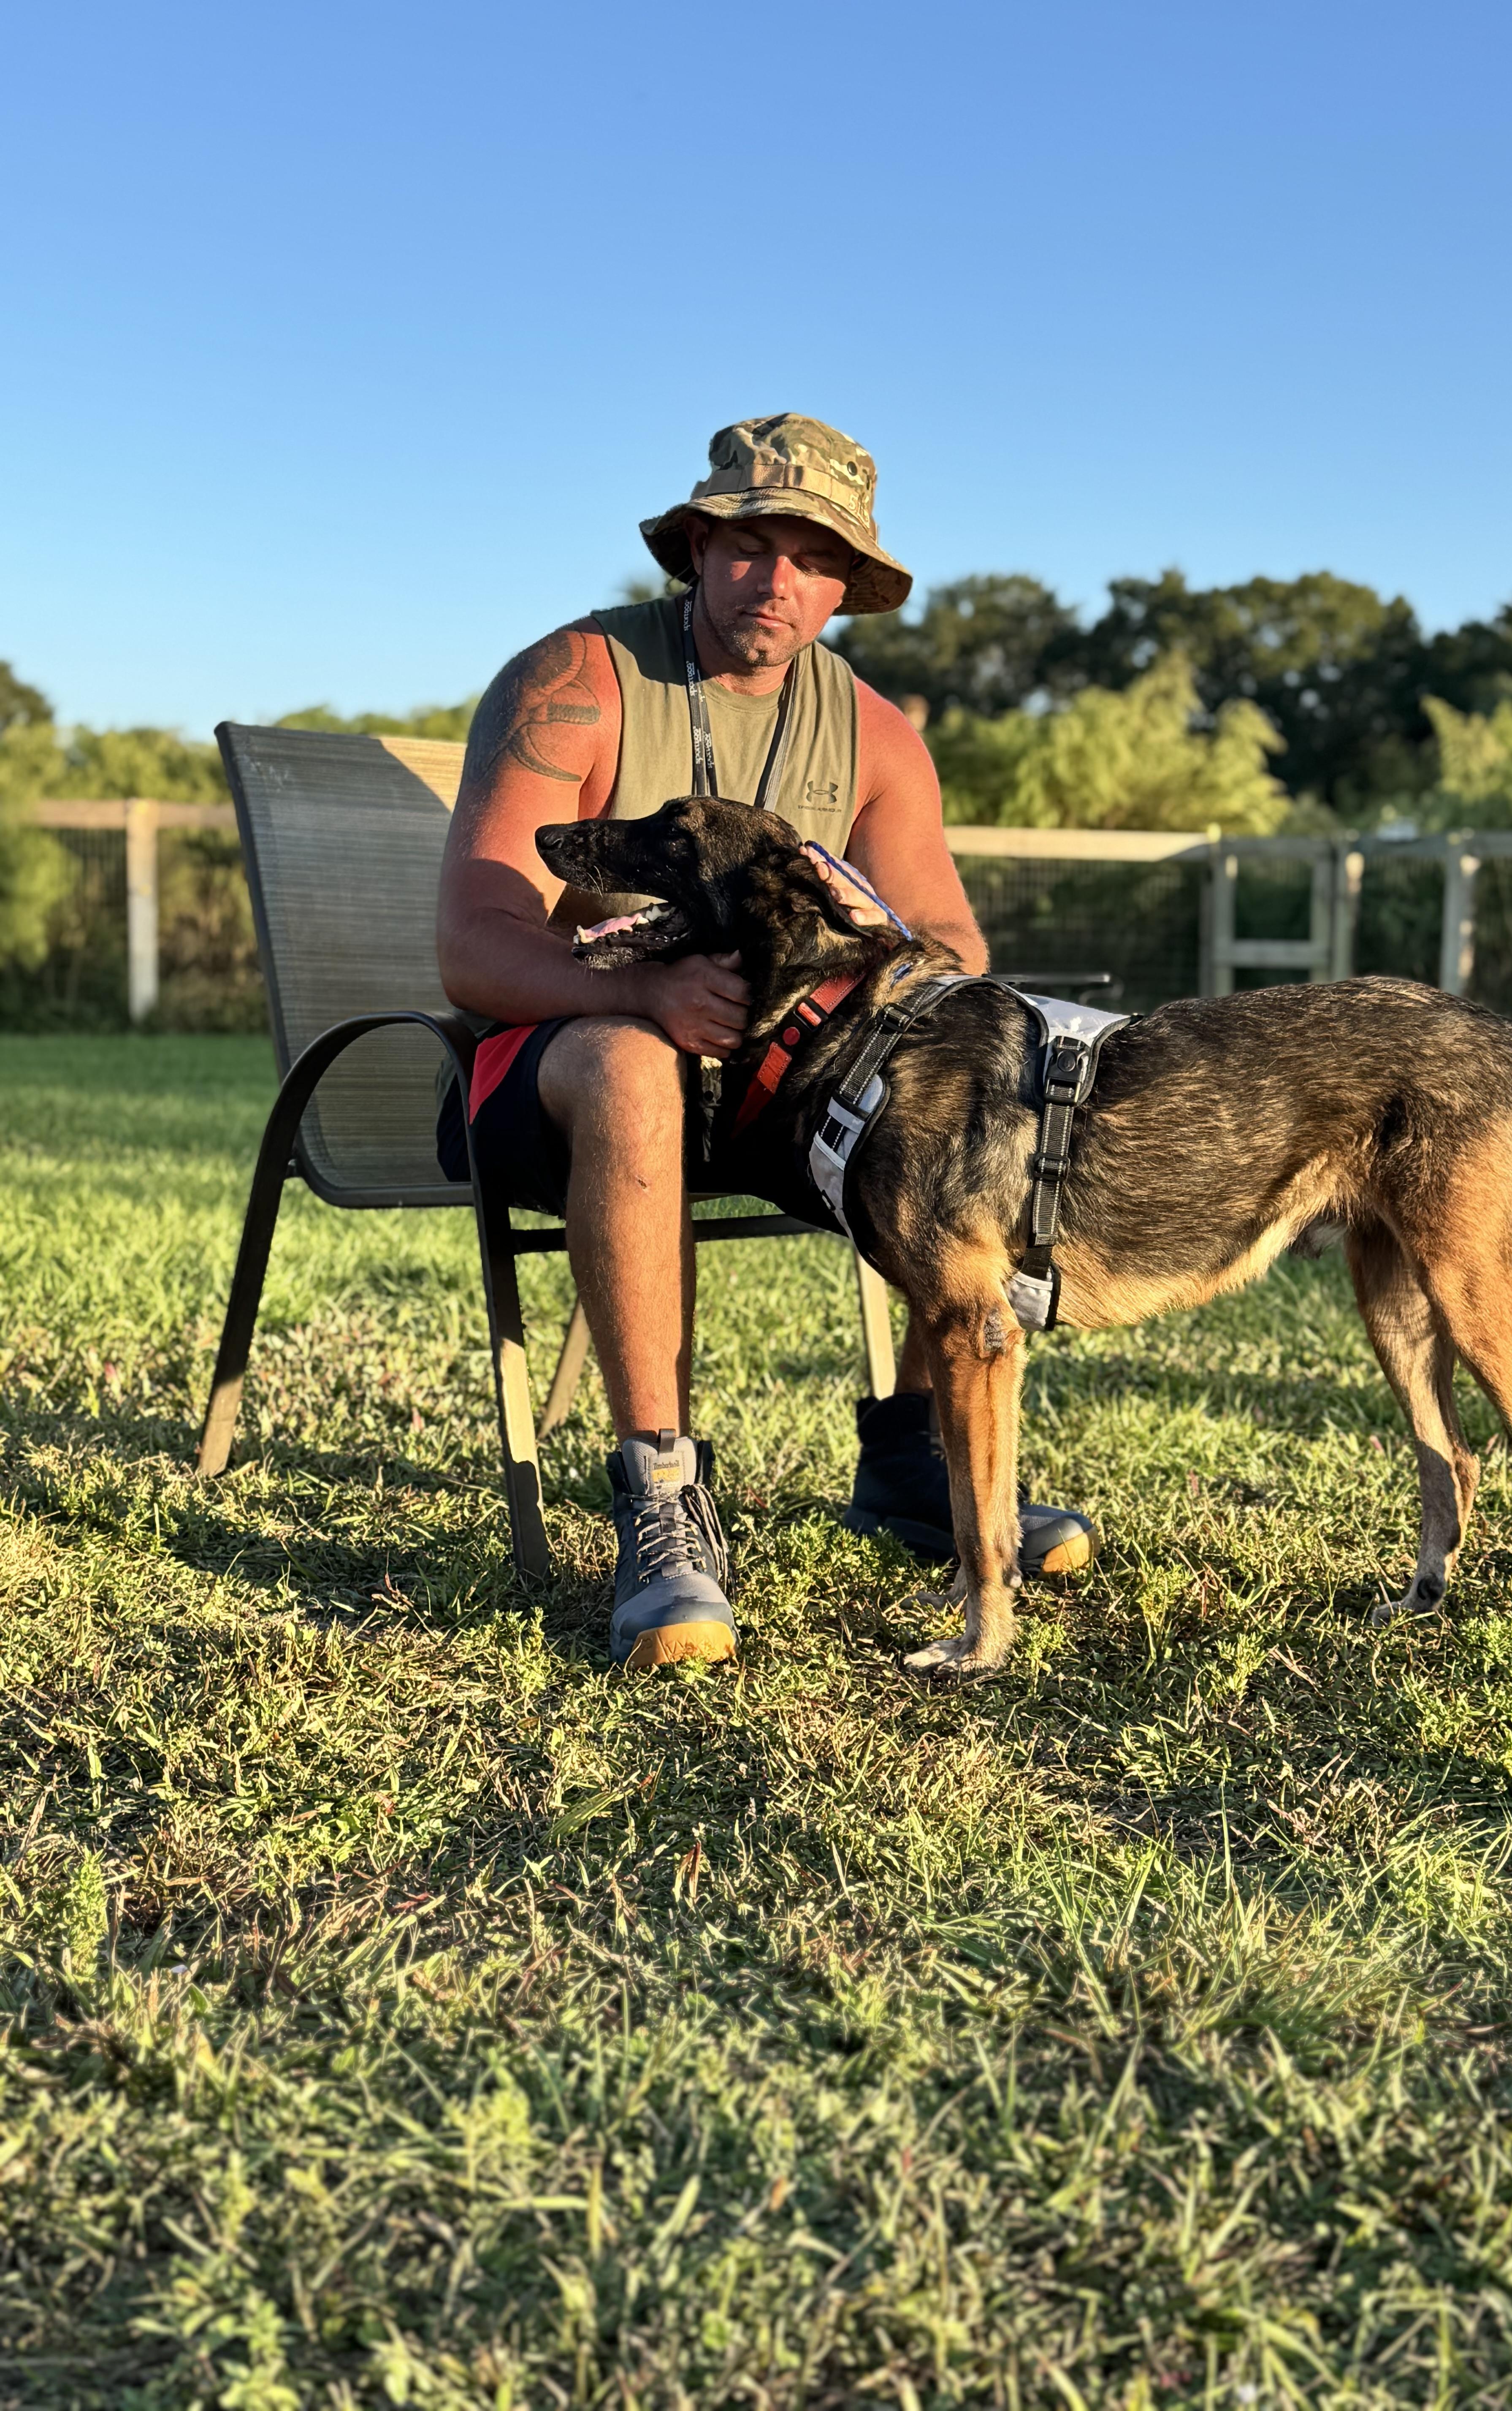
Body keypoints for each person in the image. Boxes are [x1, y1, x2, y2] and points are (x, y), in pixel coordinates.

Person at [435, 414, 1095, 1668]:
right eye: (748, 543)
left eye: (812, 554)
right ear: (696, 548)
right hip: (547, 1077)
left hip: (772, 1100)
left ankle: (915, 1458)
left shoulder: (876, 733)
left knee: (952, 1074)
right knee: (637, 1065)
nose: (776, 579)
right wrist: (640, 998)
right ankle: (662, 1494)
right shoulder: (573, 682)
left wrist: (869, 968)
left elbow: (948, 941)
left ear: (849, 584)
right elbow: (473, 944)